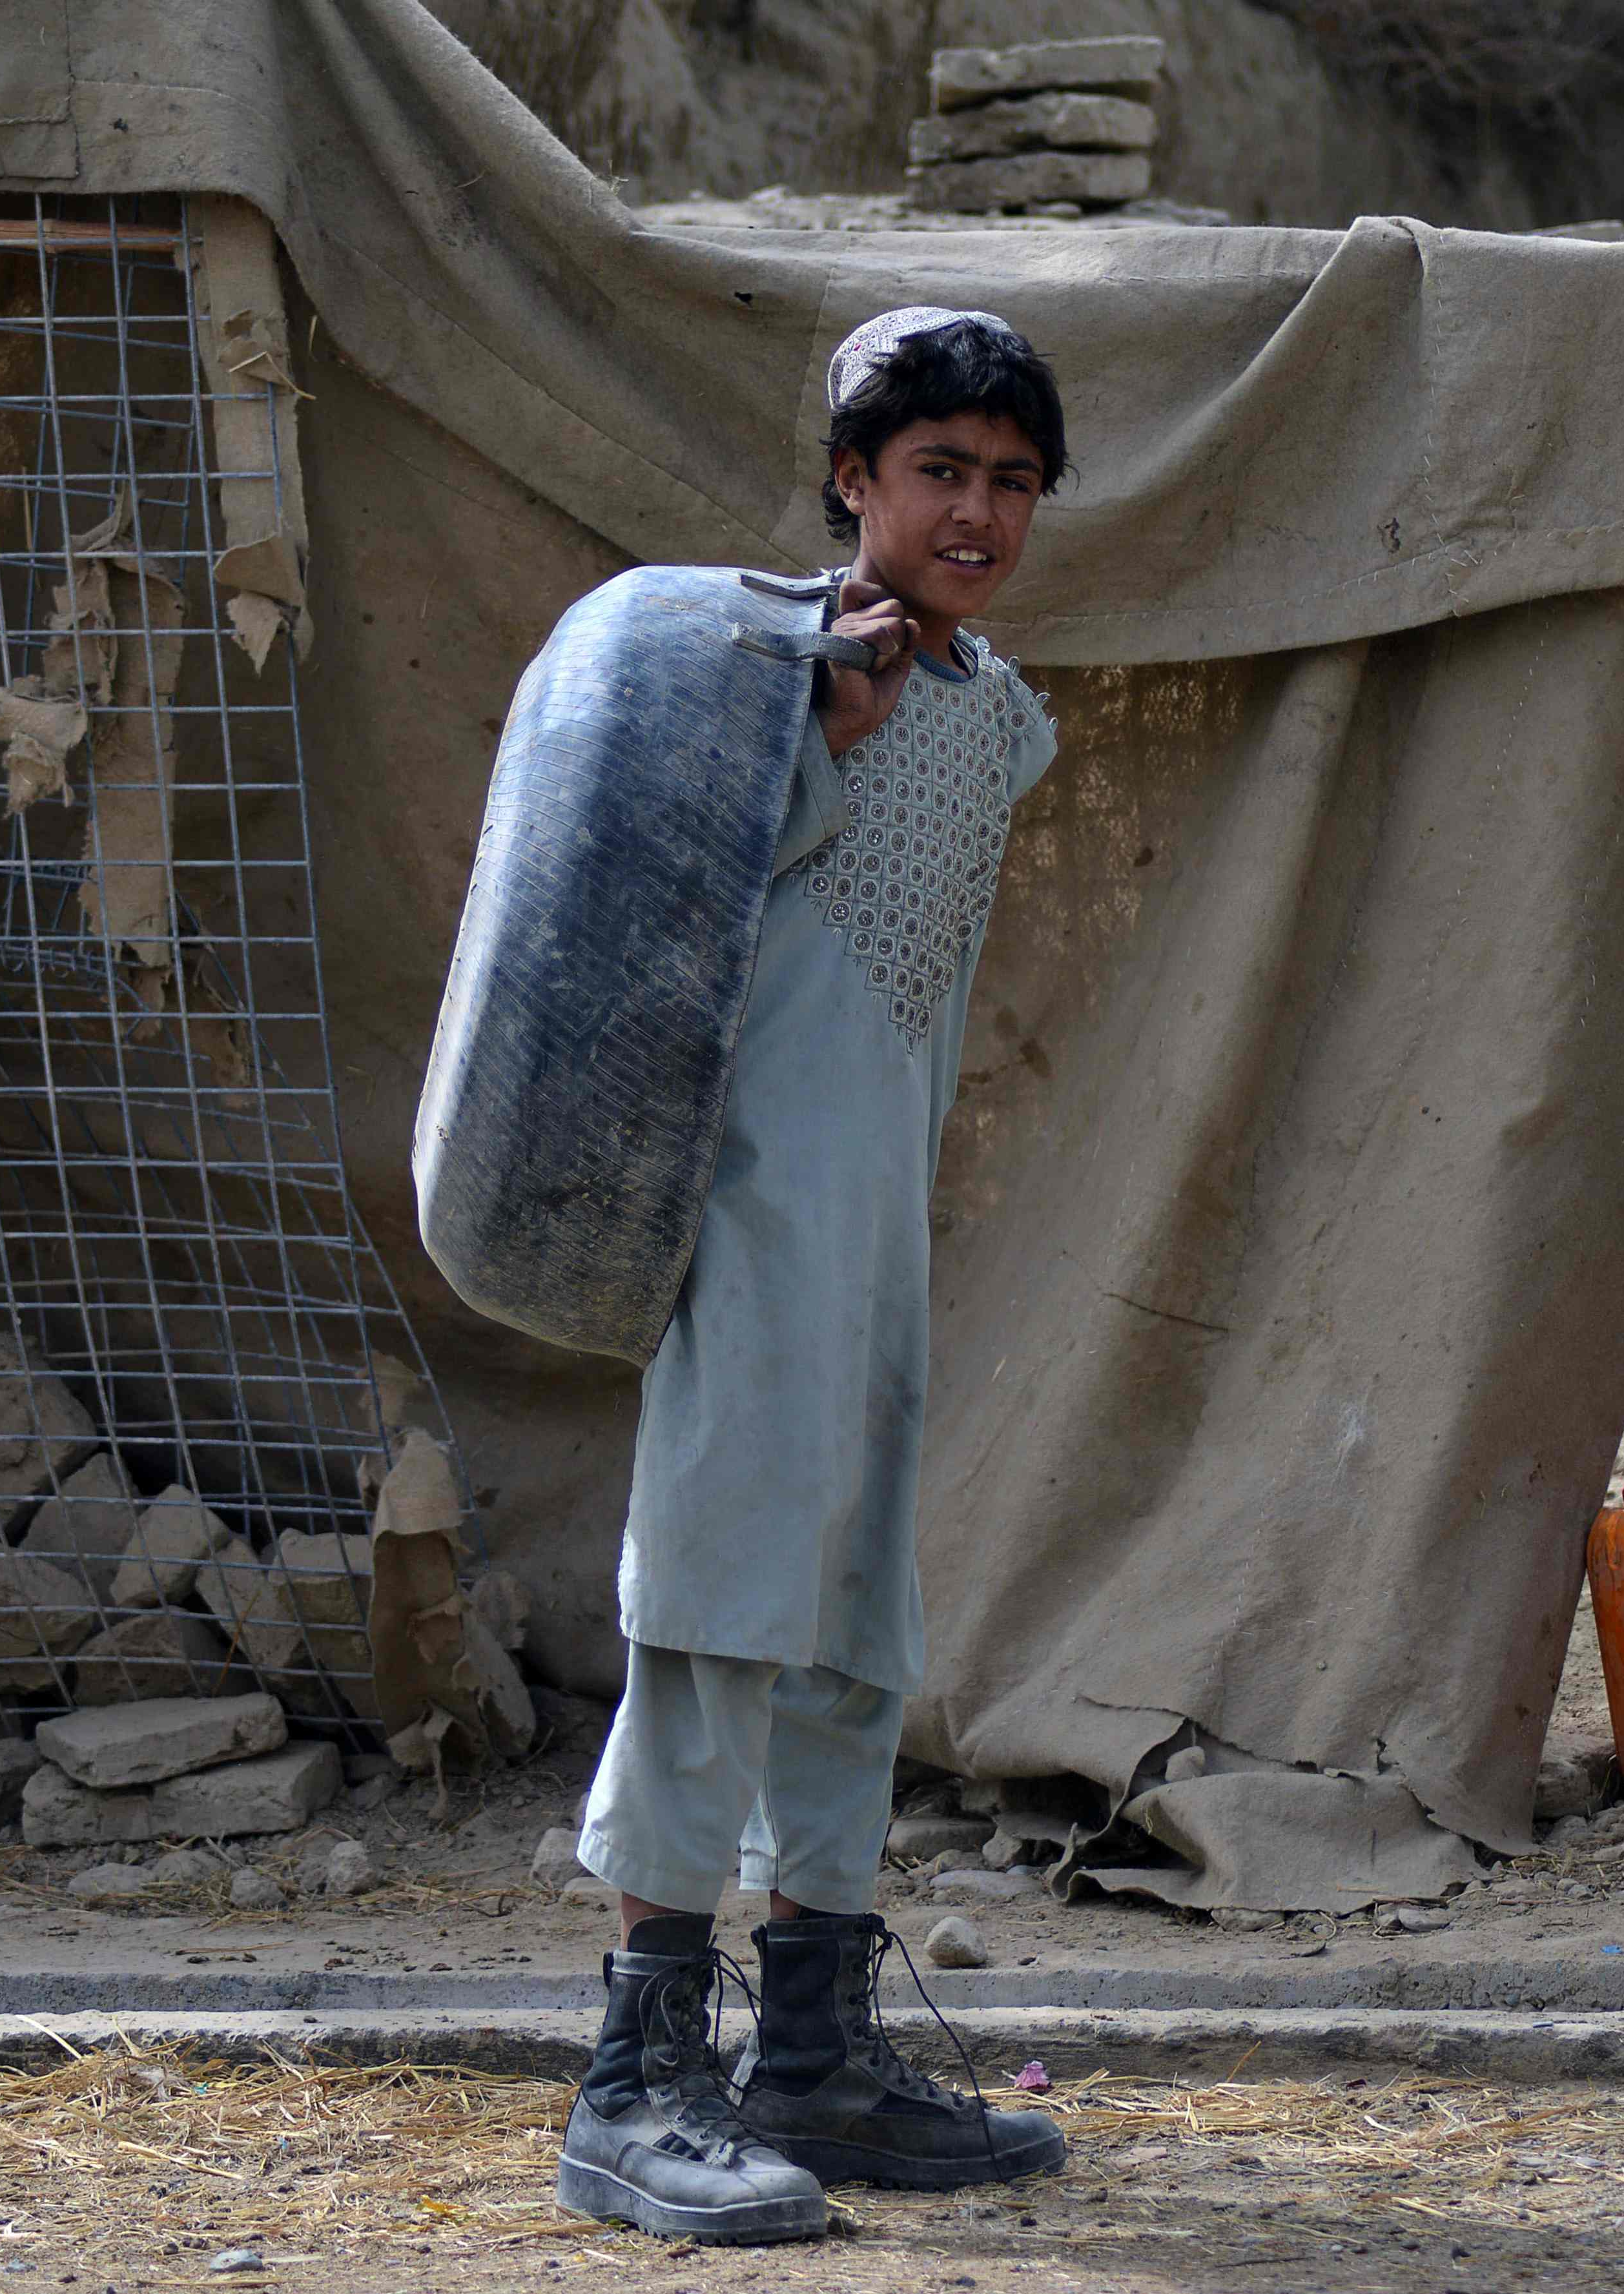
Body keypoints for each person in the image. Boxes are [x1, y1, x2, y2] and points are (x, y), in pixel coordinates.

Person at [550, 307, 1075, 2246]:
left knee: (854, 1614)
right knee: (714, 1608)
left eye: (1011, 480)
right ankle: (634, 2081)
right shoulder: (755, 676)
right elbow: (637, 901)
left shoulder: (987, 707)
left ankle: (816, 2056)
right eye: (937, 471)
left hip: (874, 1230)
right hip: (744, 1220)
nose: (975, 511)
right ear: (852, 481)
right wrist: (808, 733)